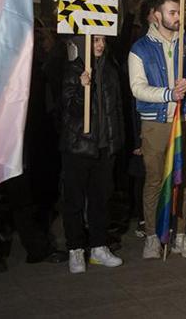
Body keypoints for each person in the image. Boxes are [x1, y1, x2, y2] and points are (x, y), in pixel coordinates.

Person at [129, 0, 186, 260]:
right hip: (155, 122)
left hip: (185, 119)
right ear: (158, 15)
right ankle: (152, 236)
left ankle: (181, 236)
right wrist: (167, 94)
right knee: (155, 179)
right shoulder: (140, 48)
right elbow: (137, 87)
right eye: (172, 12)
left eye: (179, 12)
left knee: (183, 179)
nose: (177, 17)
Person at [60, 35, 124, 273]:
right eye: (95, 40)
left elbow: (117, 107)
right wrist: (80, 88)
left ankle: (98, 246)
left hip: (104, 147)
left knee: (101, 199)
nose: (99, 45)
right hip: (78, 146)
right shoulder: (72, 68)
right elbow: (68, 110)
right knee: (74, 200)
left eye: (102, 40)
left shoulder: (110, 69)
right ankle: (75, 249)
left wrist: (118, 141)